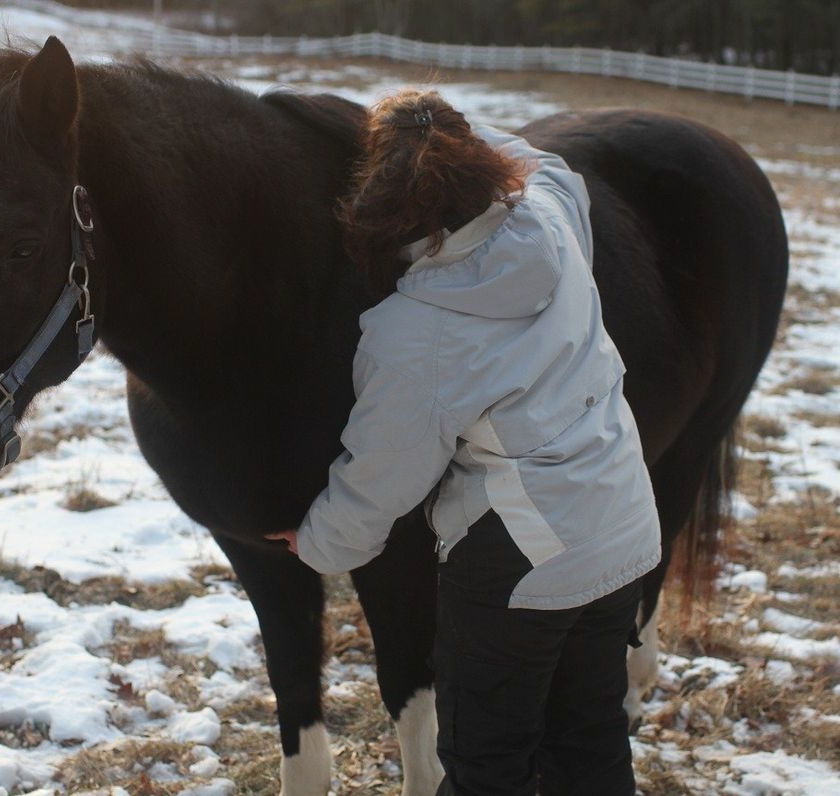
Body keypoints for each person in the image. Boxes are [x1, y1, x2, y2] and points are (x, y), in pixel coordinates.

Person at [266, 89, 661, 795]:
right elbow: (543, 160)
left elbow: (381, 479)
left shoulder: (414, 332)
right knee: (591, 742)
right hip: (622, 529)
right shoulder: (550, 214)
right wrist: (430, 124)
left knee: (486, 762)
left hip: (523, 564)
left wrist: (319, 543)